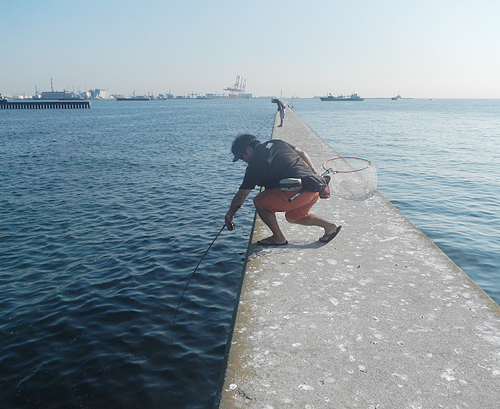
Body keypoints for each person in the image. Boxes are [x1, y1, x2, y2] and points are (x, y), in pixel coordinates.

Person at [225, 134, 341, 246]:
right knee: (293, 217)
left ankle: (278, 238)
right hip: (315, 187)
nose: (243, 160)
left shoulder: (256, 163)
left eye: (241, 156)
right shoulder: (276, 142)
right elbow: (302, 153)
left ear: (248, 149)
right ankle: (330, 227)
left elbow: (241, 196)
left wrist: (230, 214)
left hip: (300, 191)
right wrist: (313, 172)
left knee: (259, 201)